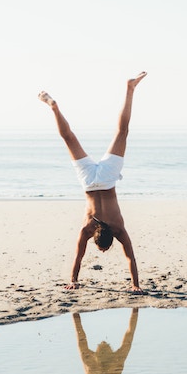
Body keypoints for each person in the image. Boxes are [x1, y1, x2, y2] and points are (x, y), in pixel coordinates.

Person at [38, 72, 147, 293]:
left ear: (110, 238)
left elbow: (131, 258)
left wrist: (136, 284)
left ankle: (130, 89)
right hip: (89, 182)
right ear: (97, 237)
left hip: (107, 178)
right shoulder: (88, 228)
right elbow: (78, 256)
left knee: (122, 132)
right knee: (69, 138)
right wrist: (73, 280)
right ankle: (54, 108)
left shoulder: (117, 228)